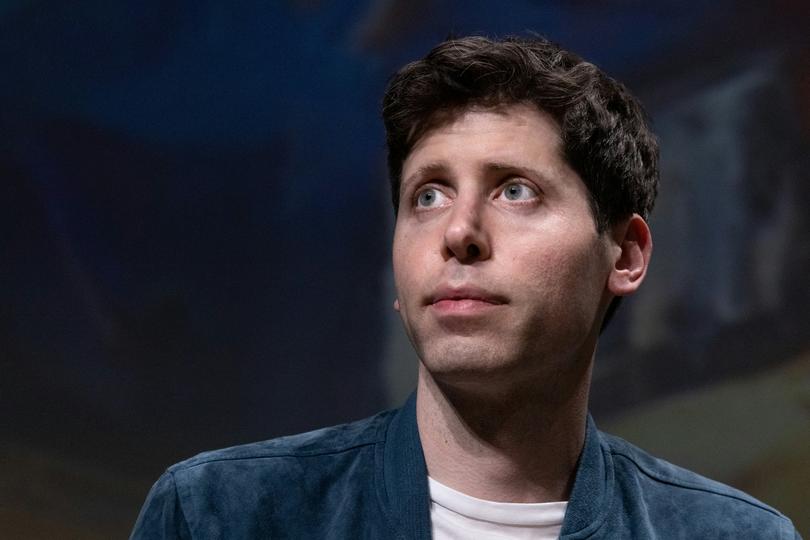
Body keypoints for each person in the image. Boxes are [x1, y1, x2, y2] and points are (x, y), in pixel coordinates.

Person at [131, 35, 801, 539]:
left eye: (516, 190)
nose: (459, 232)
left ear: (624, 255)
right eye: (427, 196)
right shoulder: (220, 515)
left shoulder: (733, 537)